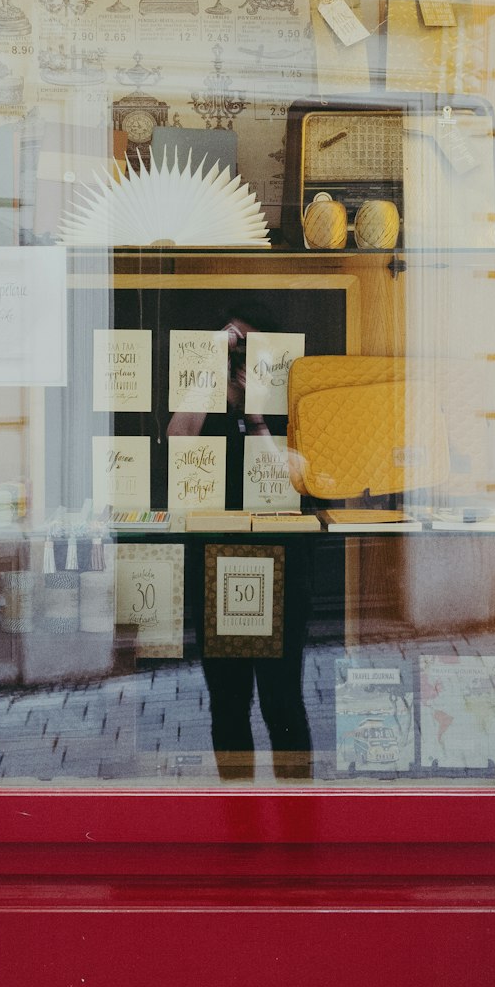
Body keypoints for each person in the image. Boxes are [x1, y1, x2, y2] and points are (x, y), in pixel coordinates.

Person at [169, 310, 313, 782]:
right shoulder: (200, 404)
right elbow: (178, 441)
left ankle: (296, 812)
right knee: (228, 701)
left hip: (280, 562)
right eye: (235, 350)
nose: (239, 361)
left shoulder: (282, 406)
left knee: (282, 698)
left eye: (251, 348)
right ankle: (239, 814)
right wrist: (210, 364)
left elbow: (285, 479)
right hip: (215, 562)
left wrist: (256, 411)